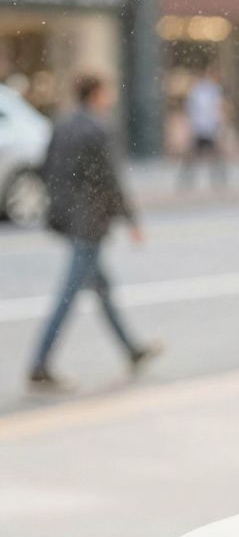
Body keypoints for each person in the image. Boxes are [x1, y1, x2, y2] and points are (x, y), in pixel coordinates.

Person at [29, 75, 160, 390]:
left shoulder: (62, 125)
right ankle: (39, 365)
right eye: (107, 91)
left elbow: (47, 169)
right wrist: (132, 220)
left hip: (70, 219)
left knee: (101, 288)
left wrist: (60, 210)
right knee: (69, 293)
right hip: (89, 222)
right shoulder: (97, 129)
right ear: (97, 94)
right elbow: (110, 180)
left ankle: (132, 350)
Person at [177, 64, 226, 190]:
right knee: (199, 156)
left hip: (205, 127)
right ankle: (188, 180)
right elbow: (197, 109)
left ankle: (216, 180)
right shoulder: (204, 91)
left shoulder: (207, 90)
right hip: (202, 127)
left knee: (208, 156)